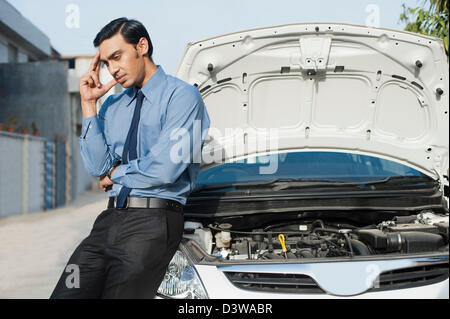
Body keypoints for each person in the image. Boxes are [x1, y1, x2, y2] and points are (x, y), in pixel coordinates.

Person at [50, 17, 210, 299]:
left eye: (117, 57)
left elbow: (164, 169)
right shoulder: (112, 105)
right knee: (67, 293)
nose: (113, 70)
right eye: (107, 63)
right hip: (109, 219)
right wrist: (89, 104)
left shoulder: (182, 97)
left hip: (154, 221)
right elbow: (97, 166)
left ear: (142, 46)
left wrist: (115, 174)